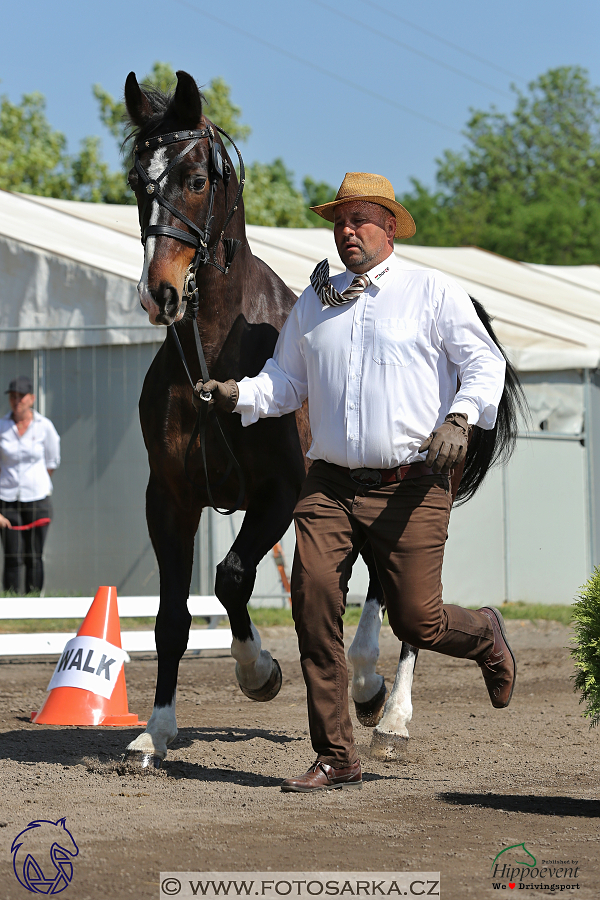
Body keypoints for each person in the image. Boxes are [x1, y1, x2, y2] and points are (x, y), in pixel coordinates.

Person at [198, 172, 517, 793]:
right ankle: (336, 754)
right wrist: (238, 393)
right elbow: (285, 382)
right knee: (312, 600)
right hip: (331, 486)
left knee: (417, 622)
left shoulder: (432, 291)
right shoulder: (317, 302)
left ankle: (484, 634)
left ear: (389, 226)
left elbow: (485, 361)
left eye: (359, 220)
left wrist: (461, 416)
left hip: (414, 483)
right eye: (339, 222)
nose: (346, 232)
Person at [0, 376, 60, 594]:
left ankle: (34, 599)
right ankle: (11, 602)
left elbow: (52, 461)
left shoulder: (45, 427)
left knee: (34, 555)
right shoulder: (2, 427)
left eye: (21, 396)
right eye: (13, 397)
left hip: (37, 498)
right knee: (12, 555)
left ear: (32, 399)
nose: (17, 401)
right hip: (7, 500)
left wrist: (35, 482)